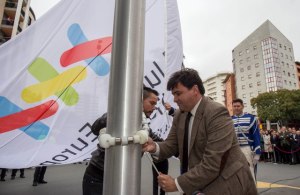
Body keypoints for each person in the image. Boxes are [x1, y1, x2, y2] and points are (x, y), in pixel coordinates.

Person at [142, 68, 257, 195]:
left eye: (178, 93)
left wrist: (176, 184)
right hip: (198, 184)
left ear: (195, 90)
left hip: (227, 185)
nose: (174, 99)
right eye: (173, 94)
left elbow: (212, 163)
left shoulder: (217, 112)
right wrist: (154, 147)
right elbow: (171, 145)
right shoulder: (180, 114)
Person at [82, 87, 168, 195]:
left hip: (123, 180)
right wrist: (118, 113)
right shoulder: (116, 115)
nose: (154, 108)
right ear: (139, 101)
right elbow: (95, 128)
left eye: (155, 105)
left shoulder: (144, 129)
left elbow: (163, 145)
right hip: (97, 176)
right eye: (152, 103)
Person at [232, 98, 261, 181]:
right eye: (234, 106)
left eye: (238, 106)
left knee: (250, 171)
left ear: (242, 106)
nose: (236, 108)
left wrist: (257, 153)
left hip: (247, 148)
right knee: (235, 172)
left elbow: (256, 135)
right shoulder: (230, 119)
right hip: (234, 149)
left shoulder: (251, 118)